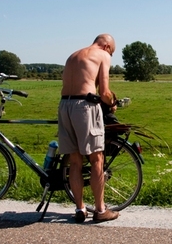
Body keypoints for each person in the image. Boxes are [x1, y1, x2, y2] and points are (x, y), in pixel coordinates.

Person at [58, 34, 119, 223]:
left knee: (75, 161)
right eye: (112, 51)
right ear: (107, 46)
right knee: (96, 159)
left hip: (64, 106)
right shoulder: (103, 55)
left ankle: (80, 209)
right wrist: (113, 103)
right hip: (84, 107)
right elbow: (105, 92)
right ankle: (100, 210)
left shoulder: (74, 55)